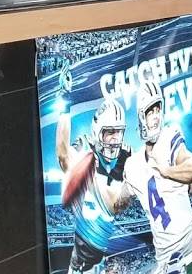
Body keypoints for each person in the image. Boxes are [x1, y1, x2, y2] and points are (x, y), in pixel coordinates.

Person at [123, 80, 192, 273]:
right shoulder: (132, 164)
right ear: (141, 116)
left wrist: (166, 171)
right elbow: (116, 203)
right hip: (163, 259)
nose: (156, 116)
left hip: (190, 245)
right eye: (150, 112)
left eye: (158, 109)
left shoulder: (169, 137)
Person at [57, 99, 133, 273]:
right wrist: (65, 108)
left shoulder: (126, 156)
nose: (115, 138)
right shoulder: (85, 149)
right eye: (110, 132)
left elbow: (121, 203)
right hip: (81, 265)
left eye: (119, 132)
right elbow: (63, 156)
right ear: (97, 131)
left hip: (102, 257)